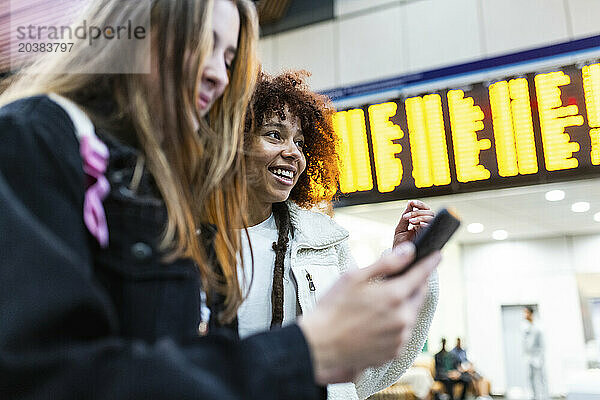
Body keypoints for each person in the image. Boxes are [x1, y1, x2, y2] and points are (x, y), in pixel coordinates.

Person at [0, 0, 442, 398]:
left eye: (228, 57)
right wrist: (306, 351)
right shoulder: (37, 138)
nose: (218, 72)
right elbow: (48, 378)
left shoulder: (159, 188)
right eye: (202, 44)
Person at [237, 70, 439, 400]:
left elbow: (365, 365)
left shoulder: (324, 243)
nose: (294, 153)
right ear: (231, 142)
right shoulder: (182, 242)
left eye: (300, 142)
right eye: (275, 135)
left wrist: (406, 266)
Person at [523, 306, 548, 400]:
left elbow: (542, 344)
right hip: (529, 357)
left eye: (526, 313)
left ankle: (544, 397)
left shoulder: (538, 326)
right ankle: (533, 397)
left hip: (538, 357)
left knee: (541, 378)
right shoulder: (525, 326)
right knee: (531, 379)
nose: (524, 315)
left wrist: (540, 357)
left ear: (531, 313)